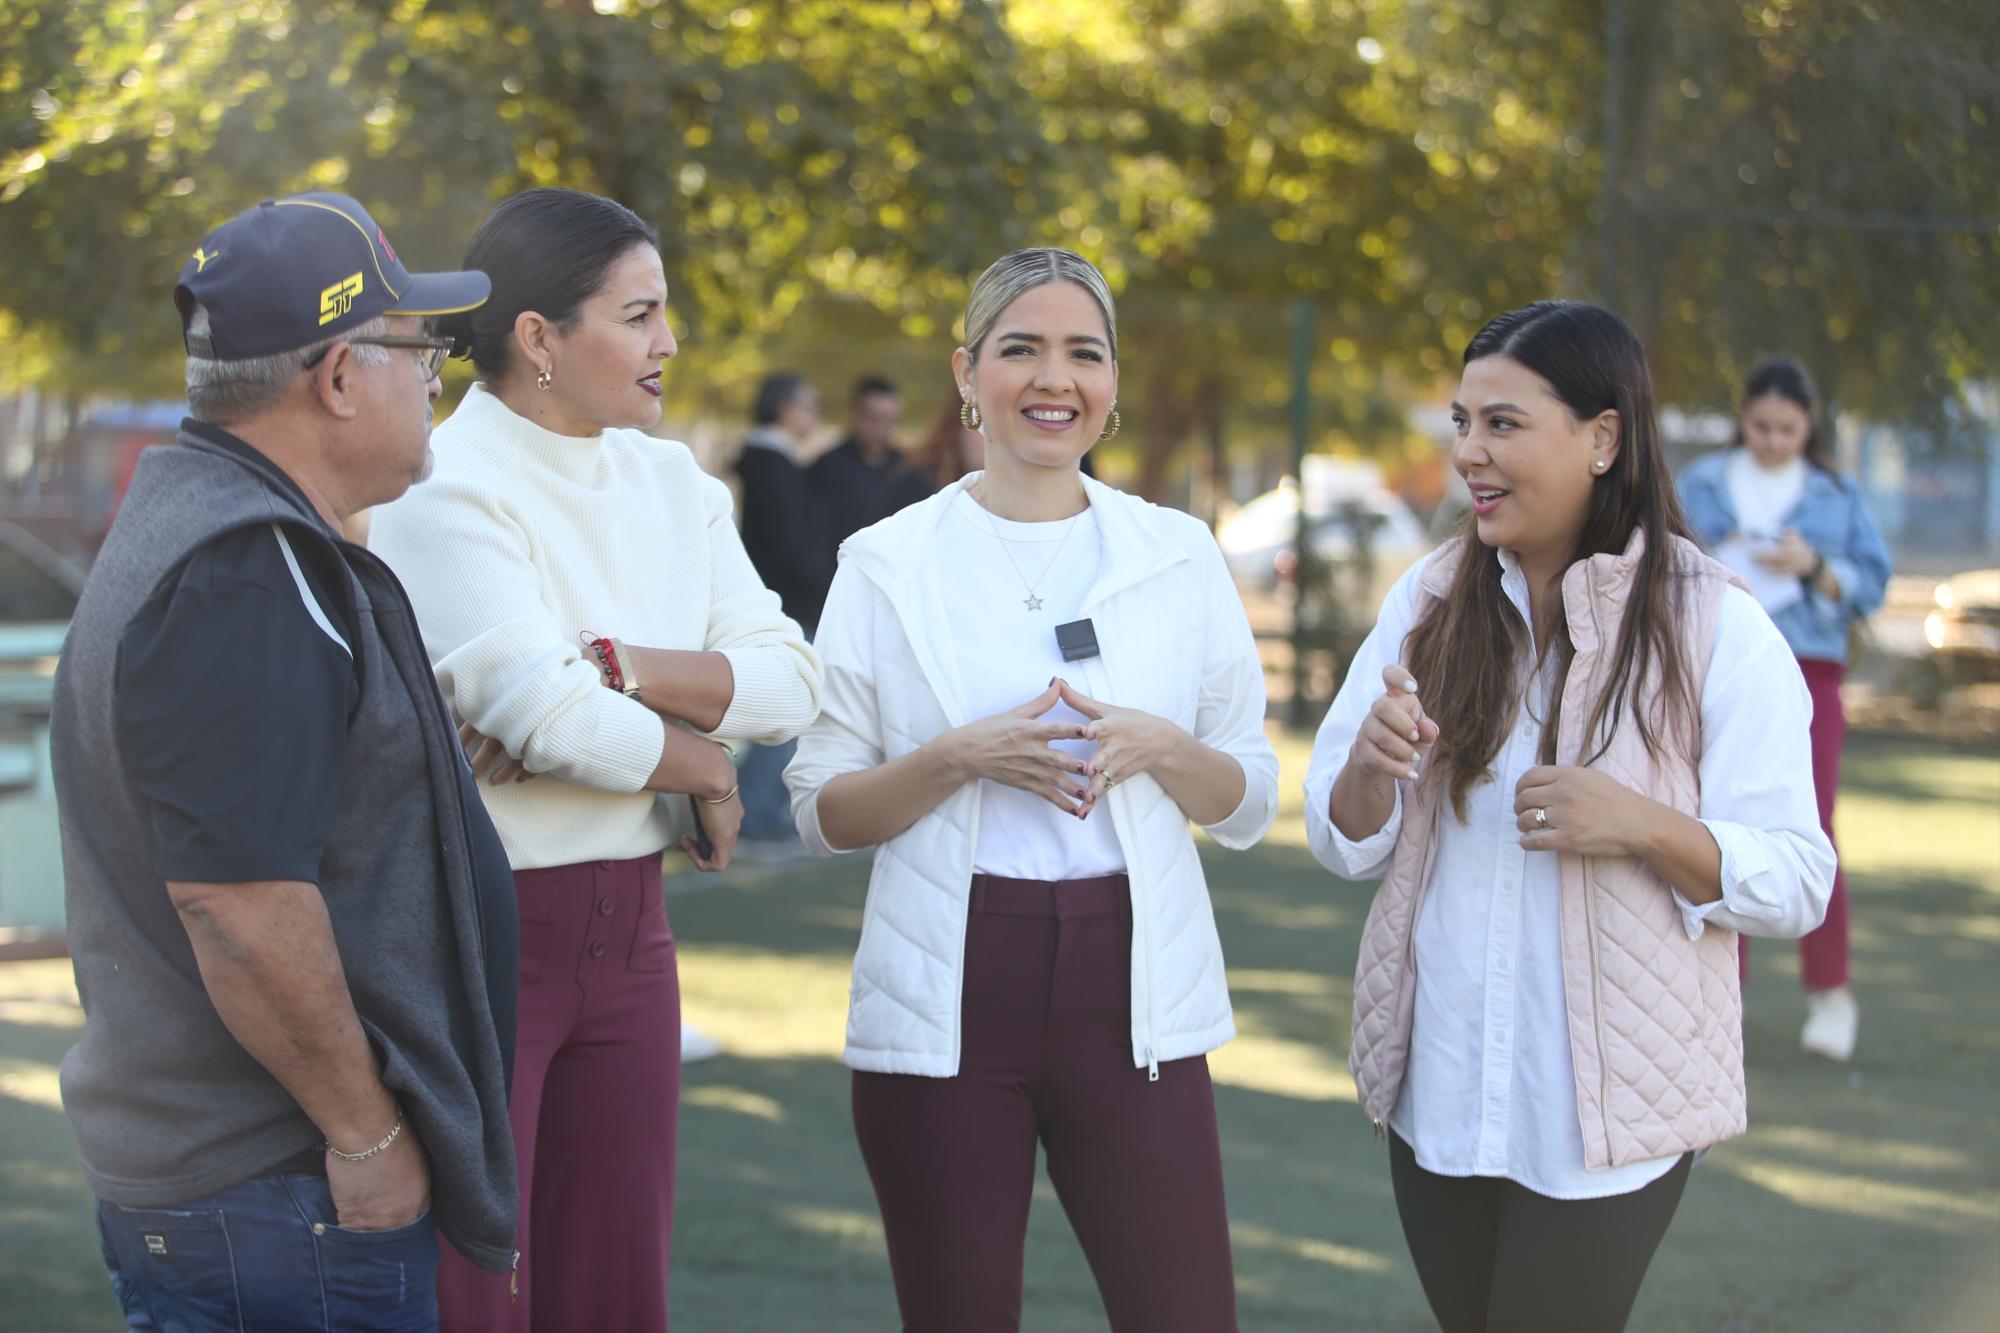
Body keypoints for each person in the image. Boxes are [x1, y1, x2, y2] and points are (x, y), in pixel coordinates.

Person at [1304, 301, 1835, 1333]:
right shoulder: (1424, 599)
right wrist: (1367, 772)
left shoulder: (1713, 621)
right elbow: (1342, 837)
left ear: (1601, 438)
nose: (1468, 452)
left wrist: (1639, 823)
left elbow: (1796, 878)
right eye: (1461, 422)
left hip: (1606, 1127)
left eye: (1502, 424)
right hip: (1439, 1102)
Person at [787, 248, 1278, 1332]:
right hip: (949, 988)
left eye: (1081, 354)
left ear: (1110, 382)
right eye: (1020, 350)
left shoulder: (1178, 554)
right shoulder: (884, 560)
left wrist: (1158, 745)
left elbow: (1244, 797)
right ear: (967, 371)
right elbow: (820, 810)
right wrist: (953, 758)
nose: (1052, 379)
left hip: (1132, 986)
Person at [51, 192, 518, 1329]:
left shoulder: (231, 535)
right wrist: (365, 1135)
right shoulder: (242, 571)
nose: (438, 380)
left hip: (254, 1189)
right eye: (425, 349)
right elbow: (237, 904)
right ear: (339, 377)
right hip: (281, 1189)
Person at [367, 188, 821, 1333]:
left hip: (636, 937)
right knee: (477, 1297)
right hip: (481, 936)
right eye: (640, 312)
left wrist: (604, 663)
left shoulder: (672, 480)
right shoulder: (446, 482)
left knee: (616, 1294)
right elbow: (554, 721)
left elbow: (793, 680)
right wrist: (706, 768)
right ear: (538, 339)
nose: (669, 341)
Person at [1676, 358, 1891, 1062]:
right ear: (1743, 418)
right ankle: (1718, 996)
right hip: (1710, 666)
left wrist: (1817, 570)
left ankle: (1831, 993)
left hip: (1810, 669)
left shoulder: (1835, 493)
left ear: (1810, 425)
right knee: (1708, 825)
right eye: (1761, 426)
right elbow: (1660, 559)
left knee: (1810, 824)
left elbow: (1872, 584)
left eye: (1787, 429)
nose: (1772, 440)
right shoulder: (1702, 483)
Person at [731, 372, 830, 853]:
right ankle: (755, 807)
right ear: (785, 409)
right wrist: (825, 580)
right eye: (808, 404)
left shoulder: (776, 462)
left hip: (786, 599)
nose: (814, 415)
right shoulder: (772, 465)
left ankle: (758, 805)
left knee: (790, 712)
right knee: (791, 712)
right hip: (787, 604)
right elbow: (789, 544)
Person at [808, 374, 907, 546]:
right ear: (854, 415)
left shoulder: (906, 469)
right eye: (874, 418)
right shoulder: (828, 467)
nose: (880, 428)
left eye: (889, 420)